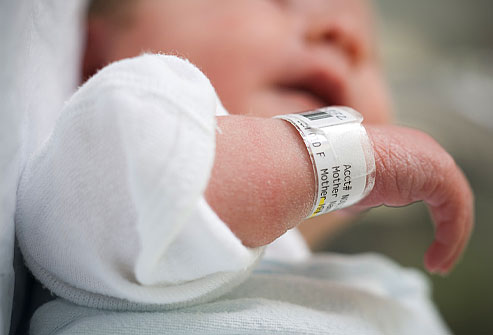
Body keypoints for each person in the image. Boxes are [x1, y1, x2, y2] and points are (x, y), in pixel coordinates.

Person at [15, 0, 473, 334]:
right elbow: (141, 166)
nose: (342, 31)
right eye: (282, 2)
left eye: (372, 52)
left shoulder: (380, 291)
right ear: (94, 52)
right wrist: (342, 157)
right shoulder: (111, 126)